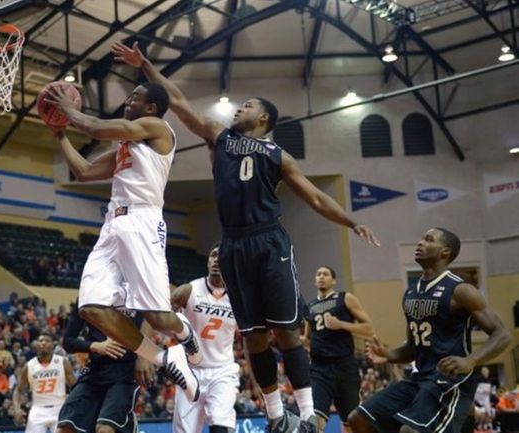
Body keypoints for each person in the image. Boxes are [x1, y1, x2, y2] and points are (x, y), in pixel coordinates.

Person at [112, 41, 381, 433]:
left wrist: (350, 222)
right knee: (254, 338)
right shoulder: (219, 137)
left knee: (286, 332)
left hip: (269, 240)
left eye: (249, 105)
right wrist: (146, 66)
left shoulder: (277, 156)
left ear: (264, 118)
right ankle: (276, 415)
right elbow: (180, 101)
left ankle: (306, 415)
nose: (240, 107)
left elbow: (317, 196)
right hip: (234, 243)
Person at [48, 80, 201, 401]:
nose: (128, 101)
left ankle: (185, 332)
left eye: (135, 97)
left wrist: (69, 109)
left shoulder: (157, 128)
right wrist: (59, 132)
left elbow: (95, 128)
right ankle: (161, 357)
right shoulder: (125, 148)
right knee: (90, 308)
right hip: (112, 224)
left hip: (142, 221)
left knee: (156, 317)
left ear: (151, 107)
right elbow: (85, 171)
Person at [348, 228, 511, 433]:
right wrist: (388, 355)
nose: (420, 243)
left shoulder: (461, 290)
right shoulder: (411, 294)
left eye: (428, 240)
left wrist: (470, 360)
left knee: (410, 431)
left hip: (451, 379)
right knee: (358, 419)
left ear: (445, 252)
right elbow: (413, 348)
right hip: (419, 378)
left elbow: (503, 335)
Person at [171, 243, 240, 433]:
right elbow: (160, 317)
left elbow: (250, 340)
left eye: (221, 256)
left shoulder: (237, 298)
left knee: (221, 426)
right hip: (190, 371)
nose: (216, 259)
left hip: (223, 371)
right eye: (212, 255)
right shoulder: (188, 290)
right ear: (208, 261)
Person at [303, 266, 375, 432]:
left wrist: (341, 324)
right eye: (318, 274)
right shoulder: (310, 306)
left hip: (344, 366)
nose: (321, 277)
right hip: (320, 369)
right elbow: (307, 340)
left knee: (351, 422)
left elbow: (369, 328)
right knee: (316, 420)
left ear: (333, 280)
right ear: (315, 281)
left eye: (325, 274)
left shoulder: (345, 298)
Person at [57, 297, 143, 433]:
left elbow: (148, 325)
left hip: (124, 372)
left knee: (105, 429)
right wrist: (95, 346)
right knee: (64, 428)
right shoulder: (87, 294)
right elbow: (68, 341)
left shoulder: (135, 291)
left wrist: (143, 359)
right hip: (94, 370)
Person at [13, 335, 76, 433]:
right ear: (36, 345)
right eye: (41, 341)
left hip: (59, 407)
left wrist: (73, 406)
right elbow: (18, 390)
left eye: (47, 340)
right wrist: (17, 409)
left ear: (53, 346)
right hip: (38, 409)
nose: (44, 343)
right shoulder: (29, 366)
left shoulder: (63, 362)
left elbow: (75, 388)